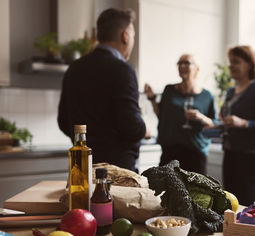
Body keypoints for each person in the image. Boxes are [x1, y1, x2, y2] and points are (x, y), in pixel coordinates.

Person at [58, 8, 147, 171]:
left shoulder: (74, 68)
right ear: (125, 36)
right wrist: (143, 128)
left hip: (82, 167)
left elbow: (63, 121)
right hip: (117, 170)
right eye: (133, 35)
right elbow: (132, 126)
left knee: (82, 198)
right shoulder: (123, 70)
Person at [144, 54, 217, 175]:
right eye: (179, 63)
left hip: (195, 153)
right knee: (165, 191)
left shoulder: (206, 96)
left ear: (197, 69)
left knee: (194, 192)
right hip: (170, 151)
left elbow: (213, 124)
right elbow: (162, 116)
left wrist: (201, 117)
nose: (182, 66)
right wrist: (151, 98)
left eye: (187, 63)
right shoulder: (169, 90)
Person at [221, 45, 255, 206]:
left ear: (249, 64)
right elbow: (225, 119)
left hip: (252, 156)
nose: (231, 66)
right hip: (230, 152)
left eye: (236, 62)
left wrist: (243, 123)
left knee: (247, 203)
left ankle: (247, 232)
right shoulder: (230, 92)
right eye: (230, 62)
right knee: (230, 202)